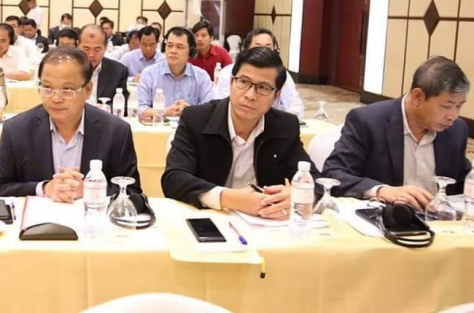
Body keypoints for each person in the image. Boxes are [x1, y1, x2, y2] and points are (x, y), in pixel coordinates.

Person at [162, 48, 320, 217]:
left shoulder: (285, 126)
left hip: (264, 224)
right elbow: (174, 179)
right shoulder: (197, 119)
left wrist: (298, 196)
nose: (250, 95)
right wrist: (231, 199)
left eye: (263, 87)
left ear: (276, 95)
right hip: (208, 218)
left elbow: (316, 182)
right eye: (244, 82)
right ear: (232, 82)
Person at [0, 47, 141, 198]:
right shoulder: (16, 129)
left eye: (67, 90)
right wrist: (43, 188)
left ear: (88, 90)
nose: (56, 98)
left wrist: (91, 190)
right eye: (47, 88)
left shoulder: (116, 131)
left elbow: (132, 192)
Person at [323, 56, 471, 209]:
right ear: (417, 97)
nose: (453, 116)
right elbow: (334, 174)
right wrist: (381, 191)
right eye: (447, 106)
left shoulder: (456, 130)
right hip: (385, 217)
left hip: (440, 219)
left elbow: (464, 182)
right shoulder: (368, 121)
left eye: (459, 106)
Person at [217, 28, 304, 117]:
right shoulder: (228, 73)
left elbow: (295, 106)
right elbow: (226, 106)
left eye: (268, 48)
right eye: (258, 47)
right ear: (247, 49)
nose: (263, 51)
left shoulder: (280, 74)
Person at [137, 27, 213, 119]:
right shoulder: (149, 74)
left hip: (190, 127)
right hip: (159, 126)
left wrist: (189, 111)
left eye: (179, 47)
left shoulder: (201, 77)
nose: (173, 51)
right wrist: (165, 112)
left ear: (191, 51)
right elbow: (141, 110)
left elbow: (210, 110)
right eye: (169, 45)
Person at [78, 24, 128, 106]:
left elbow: (122, 104)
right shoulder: (66, 69)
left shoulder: (118, 71)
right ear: (77, 46)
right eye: (86, 49)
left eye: (97, 49)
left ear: (105, 48)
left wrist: (103, 108)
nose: (91, 55)